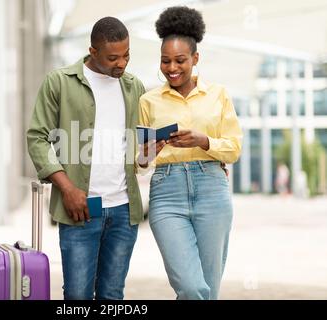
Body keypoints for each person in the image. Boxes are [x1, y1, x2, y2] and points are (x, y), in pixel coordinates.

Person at [27, 17, 146, 300]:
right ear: (92, 52)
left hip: (123, 210)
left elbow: (141, 151)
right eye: (113, 58)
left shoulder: (134, 87)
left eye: (127, 55)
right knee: (78, 296)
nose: (122, 63)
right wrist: (67, 188)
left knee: (112, 295)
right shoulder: (59, 82)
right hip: (80, 208)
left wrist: (150, 152)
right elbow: (37, 137)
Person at [137, 6, 243, 300]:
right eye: (165, 61)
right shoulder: (148, 101)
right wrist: (149, 151)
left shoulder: (218, 95)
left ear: (195, 58)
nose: (172, 68)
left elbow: (233, 148)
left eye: (180, 60)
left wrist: (203, 141)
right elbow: (139, 165)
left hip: (212, 188)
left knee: (209, 291)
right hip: (166, 192)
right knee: (192, 287)